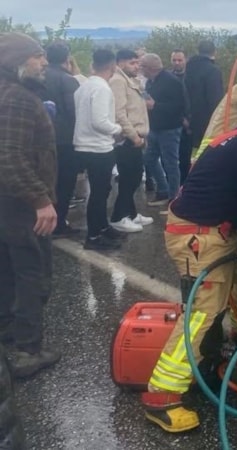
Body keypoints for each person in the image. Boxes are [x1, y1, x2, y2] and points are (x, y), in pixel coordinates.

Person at [142, 95, 237, 433]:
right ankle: (161, 395)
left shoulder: (232, 138)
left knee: (216, 304)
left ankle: (204, 362)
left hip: (200, 230)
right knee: (200, 313)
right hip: (199, 238)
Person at [0, 32, 62, 378]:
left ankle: (9, 331)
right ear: (17, 62)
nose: (43, 62)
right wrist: (41, 200)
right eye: (37, 56)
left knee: (8, 269)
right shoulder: (18, 98)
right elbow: (8, 155)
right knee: (31, 272)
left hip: (7, 201)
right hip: (21, 205)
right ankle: (26, 349)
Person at [73, 49, 126, 251]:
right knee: (98, 193)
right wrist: (118, 129)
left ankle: (102, 227)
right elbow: (99, 122)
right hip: (98, 148)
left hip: (84, 145)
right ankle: (94, 236)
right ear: (112, 66)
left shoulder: (83, 86)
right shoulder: (102, 88)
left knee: (101, 191)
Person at [109, 49, 151, 233]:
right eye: (132, 63)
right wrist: (134, 136)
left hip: (138, 136)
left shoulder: (132, 81)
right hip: (128, 139)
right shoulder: (118, 81)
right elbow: (120, 113)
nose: (136, 66)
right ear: (120, 63)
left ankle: (131, 213)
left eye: (137, 62)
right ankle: (119, 216)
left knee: (134, 175)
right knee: (130, 178)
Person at [42, 41, 81, 237]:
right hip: (64, 140)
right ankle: (59, 224)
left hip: (41, 138)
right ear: (67, 58)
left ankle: (43, 220)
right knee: (65, 183)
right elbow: (74, 111)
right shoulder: (68, 80)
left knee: (48, 181)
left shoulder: (38, 76)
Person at [140, 53, 186, 209]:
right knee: (149, 159)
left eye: (142, 66)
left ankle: (174, 199)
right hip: (154, 127)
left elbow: (180, 106)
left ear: (149, 68)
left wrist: (156, 106)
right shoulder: (150, 82)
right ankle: (163, 190)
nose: (140, 69)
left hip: (170, 129)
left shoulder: (171, 81)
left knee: (171, 163)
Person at [185, 40, 224, 149]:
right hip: (207, 119)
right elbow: (215, 98)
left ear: (198, 51)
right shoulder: (213, 71)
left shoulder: (188, 67)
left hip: (188, 117)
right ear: (214, 52)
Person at [170, 49, 192, 184]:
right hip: (172, 123)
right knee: (170, 158)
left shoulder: (191, 78)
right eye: (174, 60)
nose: (177, 63)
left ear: (186, 60)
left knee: (185, 157)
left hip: (188, 124)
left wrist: (190, 120)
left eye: (180, 60)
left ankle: (184, 185)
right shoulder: (167, 78)